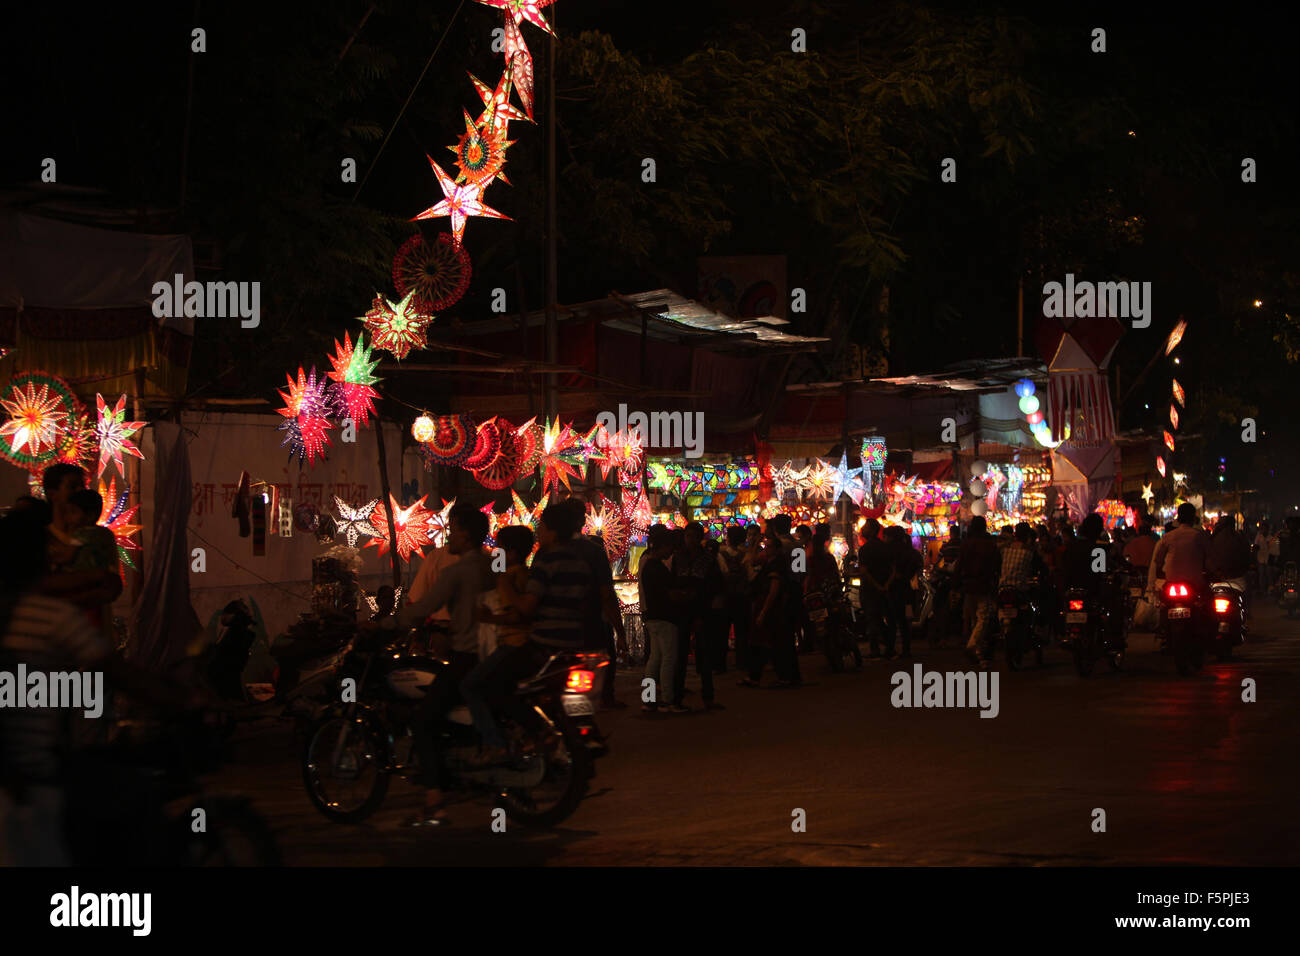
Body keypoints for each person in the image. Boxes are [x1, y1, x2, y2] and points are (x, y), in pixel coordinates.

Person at [385, 502, 493, 827]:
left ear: (466, 534)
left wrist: (383, 625)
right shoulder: (493, 566)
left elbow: (422, 607)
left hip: (465, 655)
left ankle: (434, 802)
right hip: (491, 656)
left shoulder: (456, 571)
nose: (451, 536)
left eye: (455, 529)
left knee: (423, 720)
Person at [461, 525, 535, 765]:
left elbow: (516, 615)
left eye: (499, 547)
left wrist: (488, 618)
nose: (495, 552)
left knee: (471, 686)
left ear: (510, 553)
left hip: (514, 643)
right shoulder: (524, 574)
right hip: (519, 643)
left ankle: (495, 744)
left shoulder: (508, 577)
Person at [555, 499, 629, 710]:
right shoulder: (593, 553)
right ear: (580, 520)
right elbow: (606, 595)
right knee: (600, 664)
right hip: (589, 624)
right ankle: (600, 700)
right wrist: (620, 632)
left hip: (560, 628)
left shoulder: (548, 551)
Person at [671, 521, 724, 710]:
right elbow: (673, 582)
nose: (690, 540)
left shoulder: (708, 559)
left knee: (704, 655)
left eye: (693, 536)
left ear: (700, 538)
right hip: (682, 611)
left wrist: (702, 599)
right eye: (687, 536)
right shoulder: (678, 558)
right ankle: (677, 697)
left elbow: (715, 585)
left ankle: (708, 697)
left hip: (702, 611)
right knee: (680, 655)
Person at [738, 526, 796, 687]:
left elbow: (774, 589)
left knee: (774, 644)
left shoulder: (777, 563)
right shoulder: (770, 560)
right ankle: (755, 676)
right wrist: (756, 543)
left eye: (769, 546)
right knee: (761, 643)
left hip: (772, 608)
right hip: (765, 604)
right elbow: (749, 561)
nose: (766, 549)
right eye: (766, 546)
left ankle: (783, 677)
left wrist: (764, 611)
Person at [639, 525, 678, 713]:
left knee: (655, 659)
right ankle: (668, 700)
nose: (671, 552)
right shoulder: (657, 567)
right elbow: (669, 594)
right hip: (663, 616)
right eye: (669, 547)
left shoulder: (647, 564)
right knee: (668, 658)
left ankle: (649, 699)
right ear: (662, 546)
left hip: (652, 616)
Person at [956, 515, 1000, 667]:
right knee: (983, 617)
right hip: (984, 585)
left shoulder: (966, 544)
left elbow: (959, 565)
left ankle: (979, 654)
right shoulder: (989, 545)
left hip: (968, 585)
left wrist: (956, 583)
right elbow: (996, 565)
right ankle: (973, 646)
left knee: (974, 618)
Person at [1147, 503, 1211, 594]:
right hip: (1195, 584)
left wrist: (1161, 573)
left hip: (1171, 583)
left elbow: (1158, 561)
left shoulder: (1168, 536)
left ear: (1178, 518)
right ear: (1193, 518)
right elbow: (1210, 559)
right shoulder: (1200, 536)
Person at [857, 519, 894, 658]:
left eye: (865, 527)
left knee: (872, 618)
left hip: (870, 589)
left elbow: (864, 571)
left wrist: (878, 586)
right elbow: (893, 569)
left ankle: (875, 649)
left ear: (872, 530)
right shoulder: (885, 547)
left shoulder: (865, 549)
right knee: (883, 617)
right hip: (884, 588)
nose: (862, 529)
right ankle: (889, 647)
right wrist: (886, 585)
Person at [718, 526, 752, 672]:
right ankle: (742, 662)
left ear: (729, 538)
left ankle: (720, 664)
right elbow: (750, 576)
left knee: (722, 631)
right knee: (742, 631)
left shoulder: (721, 554)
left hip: (725, 596)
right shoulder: (747, 555)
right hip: (742, 596)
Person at [1208, 516, 1251, 592]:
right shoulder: (1240, 537)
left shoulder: (1212, 538)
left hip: (1217, 578)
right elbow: (1247, 557)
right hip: (1237, 579)